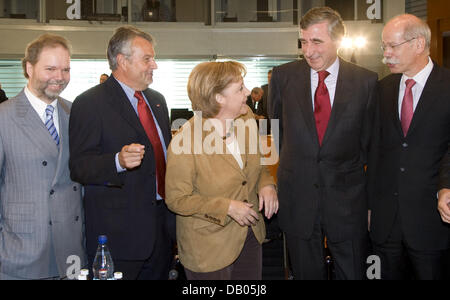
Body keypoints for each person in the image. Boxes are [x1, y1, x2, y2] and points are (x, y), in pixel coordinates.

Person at [268, 7, 378, 280]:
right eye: (303, 41)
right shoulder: (282, 77)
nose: (308, 50)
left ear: (338, 40)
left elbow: (370, 148)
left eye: (317, 42)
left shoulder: (366, 81)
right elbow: (270, 133)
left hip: (348, 204)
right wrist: (267, 180)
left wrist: (370, 205)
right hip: (297, 202)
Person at [69, 25, 175, 280]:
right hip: (120, 237)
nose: (154, 65)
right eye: (147, 59)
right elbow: (79, 166)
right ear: (122, 61)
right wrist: (116, 161)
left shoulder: (158, 101)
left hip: (162, 231)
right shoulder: (90, 103)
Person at [165, 61, 278, 280]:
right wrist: (226, 207)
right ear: (218, 98)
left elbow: (259, 165)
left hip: (250, 236)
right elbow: (177, 199)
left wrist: (267, 184)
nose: (248, 92)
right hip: (208, 248)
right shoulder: (185, 141)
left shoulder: (246, 120)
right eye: (239, 89)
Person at [369, 14, 450, 280]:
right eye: (384, 47)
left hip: (431, 222)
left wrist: (445, 186)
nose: (386, 55)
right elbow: (375, 151)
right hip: (385, 223)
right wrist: (369, 207)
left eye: (392, 46)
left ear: (418, 44)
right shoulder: (382, 90)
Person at [0, 34, 86, 280]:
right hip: (21, 253)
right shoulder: (4, 117)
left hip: (71, 252)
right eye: (50, 68)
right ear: (29, 68)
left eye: (65, 69)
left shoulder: (76, 114)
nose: (59, 77)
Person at [258, 70, 272, 134]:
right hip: (264, 116)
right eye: (268, 77)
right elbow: (260, 103)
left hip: (275, 116)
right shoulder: (263, 87)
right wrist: (260, 115)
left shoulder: (279, 87)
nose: (269, 79)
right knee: (263, 137)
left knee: (276, 138)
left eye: (271, 77)